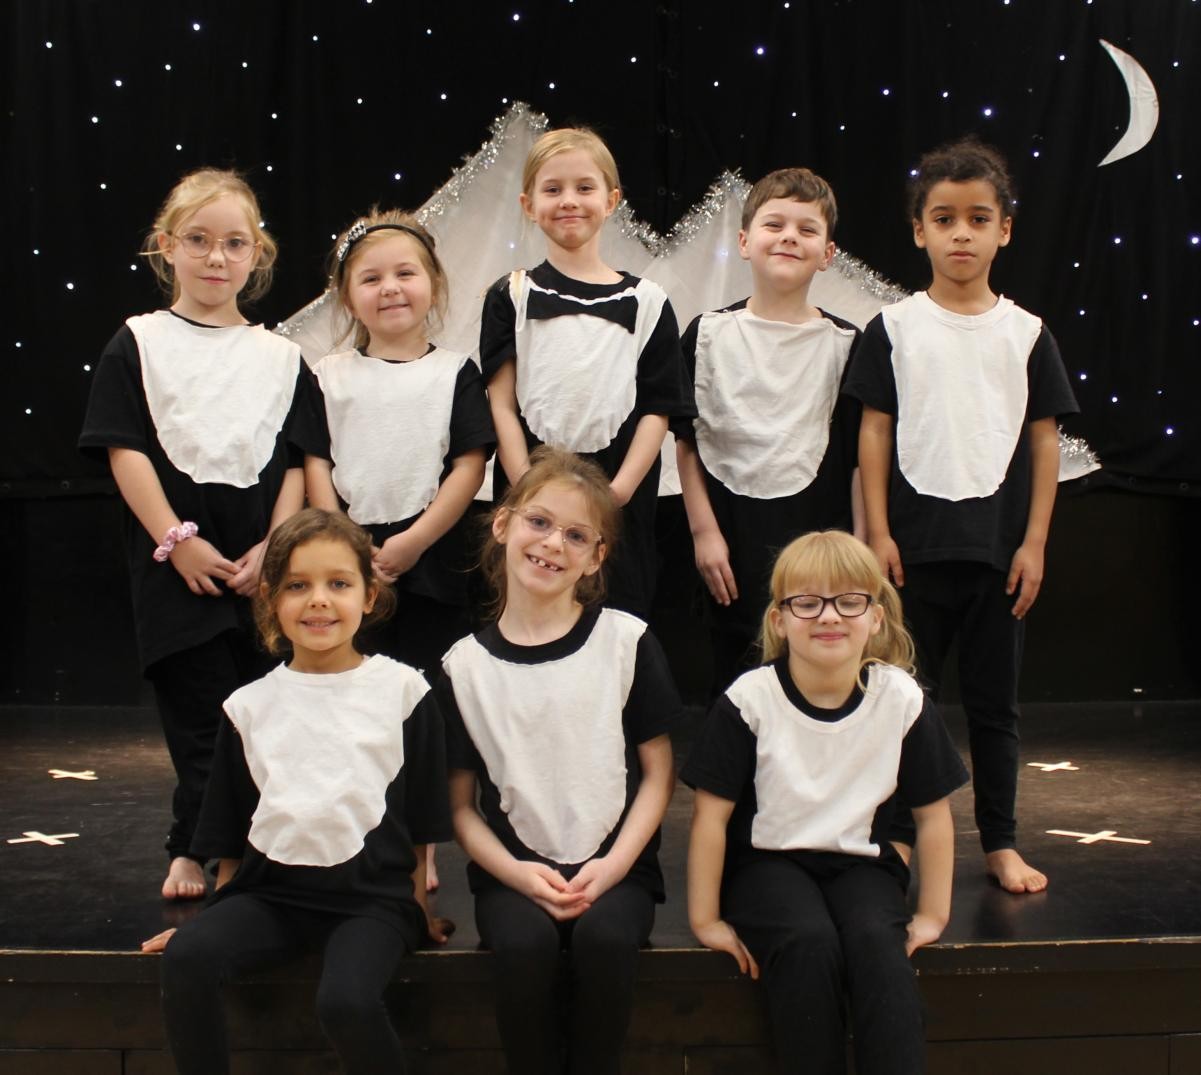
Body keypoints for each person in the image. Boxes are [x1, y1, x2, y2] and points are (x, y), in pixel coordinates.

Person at [844, 138, 1079, 894]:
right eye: (943, 219)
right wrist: (878, 533)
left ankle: (1000, 842)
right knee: (900, 702)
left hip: (998, 553)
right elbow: (874, 432)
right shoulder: (894, 328)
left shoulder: (1026, 332)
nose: (961, 235)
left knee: (993, 709)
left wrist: (1034, 542)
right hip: (911, 552)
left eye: (978, 219)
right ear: (919, 231)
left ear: (1004, 229)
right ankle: (896, 836)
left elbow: (1043, 442)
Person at [141, 508, 451, 1075]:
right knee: (186, 958)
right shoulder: (248, 706)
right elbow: (232, 832)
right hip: (273, 899)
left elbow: (423, 819)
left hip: (371, 903)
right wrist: (211, 927)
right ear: (270, 600)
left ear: (369, 597)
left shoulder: (405, 692)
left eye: (339, 584)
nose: (318, 601)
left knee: (345, 1002)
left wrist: (417, 912)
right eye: (297, 586)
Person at [79, 168, 306, 900]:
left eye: (234, 243)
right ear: (167, 246)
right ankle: (217, 857)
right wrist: (177, 541)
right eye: (199, 240)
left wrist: (275, 548)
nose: (216, 257)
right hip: (175, 562)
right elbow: (124, 449)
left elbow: (298, 460)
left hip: (261, 567)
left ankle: (204, 844)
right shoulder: (137, 343)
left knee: (261, 714)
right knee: (201, 717)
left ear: (256, 253)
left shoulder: (282, 356)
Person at [684, 530, 968, 1075]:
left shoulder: (900, 698)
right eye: (808, 602)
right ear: (779, 620)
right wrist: (705, 919)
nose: (829, 616)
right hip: (768, 864)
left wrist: (933, 914)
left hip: (862, 864)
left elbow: (933, 817)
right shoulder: (749, 700)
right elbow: (710, 819)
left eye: (849, 601)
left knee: (876, 945)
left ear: (876, 618)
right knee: (806, 941)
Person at [440, 446, 678, 1075]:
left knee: (606, 942)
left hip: (616, 872)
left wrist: (612, 867)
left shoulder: (626, 641)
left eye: (576, 535)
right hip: (513, 874)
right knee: (523, 948)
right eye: (539, 522)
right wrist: (518, 875)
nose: (553, 544)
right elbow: (460, 809)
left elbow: (659, 776)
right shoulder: (464, 668)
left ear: (597, 557)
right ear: (503, 524)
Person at [478, 126, 695, 617]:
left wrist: (615, 495)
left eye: (584, 187)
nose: (569, 201)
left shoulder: (647, 301)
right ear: (529, 204)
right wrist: (527, 488)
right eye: (553, 189)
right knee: (530, 612)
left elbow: (657, 410)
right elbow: (501, 403)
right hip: (531, 495)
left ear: (611, 199)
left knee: (615, 617)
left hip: (617, 502)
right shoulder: (511, 295)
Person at [675, 167, 862, 693]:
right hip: (730, 542)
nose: (789, 237)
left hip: (817, 545)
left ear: (827, 253)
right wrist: (704, 533)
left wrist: (861, 550)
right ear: (744, 242)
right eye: (774, 224)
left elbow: (856, 458)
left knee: (815, 682)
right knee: (735, 683)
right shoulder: (707, 334)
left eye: (807, 229)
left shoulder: (848, 344)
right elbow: (687, 441)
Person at [297, 208, 494, 682]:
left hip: (434, 558)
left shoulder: (455, 372)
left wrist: (415, 541)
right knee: (356, 679)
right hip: (350, 555)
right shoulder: (328, 376)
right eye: (371, 279)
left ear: (434, 285)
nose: (389, 288)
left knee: (432, 684)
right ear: (347, 298)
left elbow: (469, 466)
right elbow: (316, 462)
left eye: (405, 273)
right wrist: (345, 542)